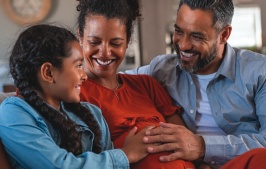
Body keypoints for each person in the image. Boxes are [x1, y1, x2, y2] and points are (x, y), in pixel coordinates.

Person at [125, 0, 266, 168]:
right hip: (184, 166)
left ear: (224, 34)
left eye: (196, 36)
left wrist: (202, 147)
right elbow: (112, 82)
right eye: (179, 32)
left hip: (241, 165)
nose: (183, 45)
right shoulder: (162, 69)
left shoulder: (263, 70)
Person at [0, 24, 152, 169]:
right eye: (78, 65)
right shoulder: (13, 113)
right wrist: (125, 155)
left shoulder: (93, 113)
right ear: (48, 73)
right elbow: (58, 166)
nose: (84, 76)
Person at [77, 0, 195, 168]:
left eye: (115, 43)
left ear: (127, 41)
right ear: (80, 36)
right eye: (94, 42)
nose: (104, 52)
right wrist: (124, 151)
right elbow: (78, 157)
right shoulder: (75, 92)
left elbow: (184, 139)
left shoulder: (146, 84)